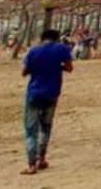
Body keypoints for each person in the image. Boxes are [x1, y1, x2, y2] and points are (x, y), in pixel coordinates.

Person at [21, 28, 74, 175]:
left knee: (31, 129)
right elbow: (69, 68)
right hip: (52, 93)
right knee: (46, 126)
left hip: (33, 93)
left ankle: (31, 164)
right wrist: (58, 66)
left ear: (42, 38)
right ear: (56, 38)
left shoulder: (33, 50)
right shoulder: (62, 49)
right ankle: (41, 158)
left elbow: (24, 72)